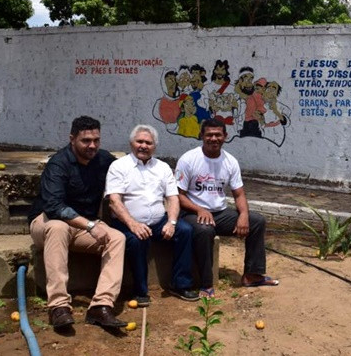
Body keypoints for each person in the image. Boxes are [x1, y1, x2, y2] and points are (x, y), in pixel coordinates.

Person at [28, 116, 127, 329]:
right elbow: (54, 208)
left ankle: (101, 306)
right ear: (72, 139)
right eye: (86, 141)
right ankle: (58, 307)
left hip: (83, 227)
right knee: (58, 227)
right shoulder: (58, 164)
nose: (92, 145)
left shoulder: (104, 160)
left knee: (117, 238)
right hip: (46, 223)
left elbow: (127, 175)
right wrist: (92, 226)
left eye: (96, 140)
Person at [175, 119, 279, 298]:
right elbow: (178, 195)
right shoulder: (188, 159)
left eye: (218, 135)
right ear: (202, 136)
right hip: (192, 212)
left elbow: (239, 194)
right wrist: (199, 209)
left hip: (220, 213)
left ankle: (252, 275)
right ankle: (206, 284)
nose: (213, 138)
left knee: (257, 221)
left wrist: (244, 215)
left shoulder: (230, 161)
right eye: (209, 135)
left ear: (225, 137)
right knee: (204, 230)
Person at [105, 125, 198, 304]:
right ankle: (140, 291)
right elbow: (114, 201)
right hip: (127, 223)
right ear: (132, 143)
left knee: (185, 230)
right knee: (136, 239)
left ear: (154, 146)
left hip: (158, 221)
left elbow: (173, 198)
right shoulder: (118, 166)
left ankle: (181, 284)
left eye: (148, 143)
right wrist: (133, 224)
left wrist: (171, 222)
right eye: (139, 141)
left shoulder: (162, 168)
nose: (143, 146)